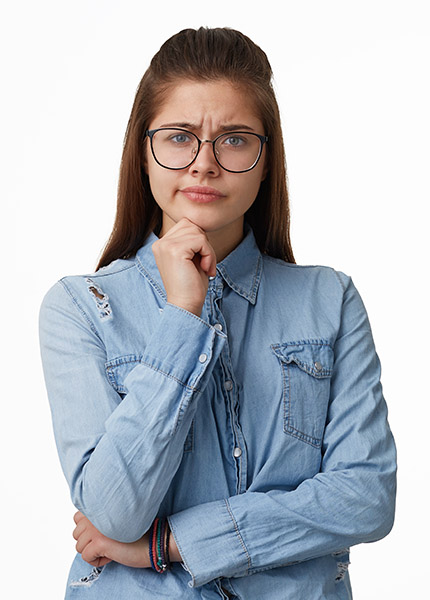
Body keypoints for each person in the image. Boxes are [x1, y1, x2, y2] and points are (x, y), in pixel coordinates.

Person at [39, 27, 397, 600]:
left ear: (264, 159)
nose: (204, 163)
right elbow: (111, 513)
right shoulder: (82, 308)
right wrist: (183, 315)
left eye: (233, 140)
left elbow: (367, 497)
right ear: (143, 150)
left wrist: (173, 544)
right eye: (179, 137)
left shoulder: (329, 301)